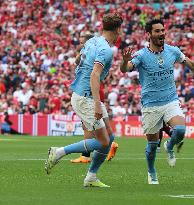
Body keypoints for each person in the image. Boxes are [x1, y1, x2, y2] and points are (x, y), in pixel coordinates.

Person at [120, 18, 194, 184]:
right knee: (152, 146)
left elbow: (190, 63)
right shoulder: (141, 55)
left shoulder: (172, 51)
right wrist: (125, 61)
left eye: (162, 30)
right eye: (157, 31)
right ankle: (151, 171)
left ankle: (169, 146)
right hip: (150, 105)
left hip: (170, 101)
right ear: (149, 34)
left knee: (181, 130)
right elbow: (125, 69)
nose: (161, 34)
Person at [45, 13, 123, 188]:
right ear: (118, 29)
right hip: (86, 98)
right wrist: (97, 103)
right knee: (103, 142)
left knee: (109, 137)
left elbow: (78, 59)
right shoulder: (105, 50)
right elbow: (95, 75)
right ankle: (58, 152)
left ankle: (91, 177)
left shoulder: (92, 40)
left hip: (83, 94)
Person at [71, 32, 118, 164]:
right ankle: (110, 143)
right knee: (99, 126)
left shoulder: (94, 51)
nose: (81, 45)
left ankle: (85, 155)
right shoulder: (94, 51)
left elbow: (78, 62)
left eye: (82, 42)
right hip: (95, 89)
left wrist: (82, 53)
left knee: (87, 126)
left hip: (91, 91)